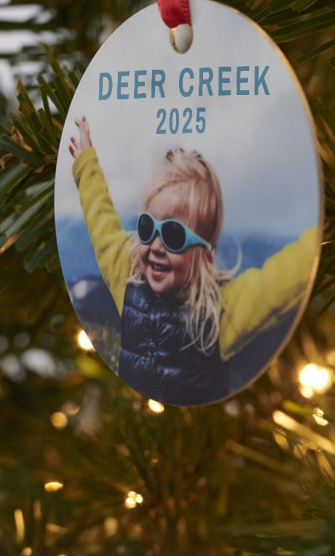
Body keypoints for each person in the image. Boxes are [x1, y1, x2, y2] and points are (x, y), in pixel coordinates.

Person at [68, 115, 316, 405]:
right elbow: (102, 221)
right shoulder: (127, 273)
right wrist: (86, 162)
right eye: (147, 227)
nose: (156, 246)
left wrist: (327, 222)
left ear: (206, 252)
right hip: (134, 412)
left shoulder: (222, 313)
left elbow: (283, 277)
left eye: (173, 234)